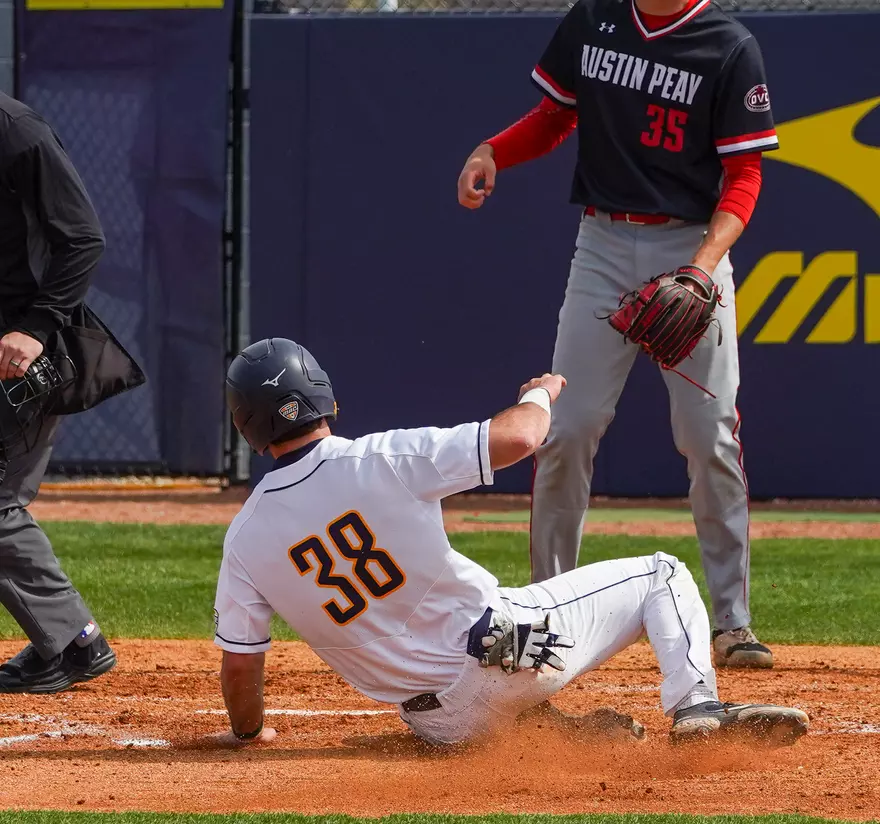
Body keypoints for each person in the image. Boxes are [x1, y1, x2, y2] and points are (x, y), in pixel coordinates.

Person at [207, 337, 808, 750]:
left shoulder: (246, 535)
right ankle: (697, 707)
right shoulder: (382, 458)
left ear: (247, 425)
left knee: (484, 654)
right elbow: (521, 437)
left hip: (442, 726)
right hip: (517, 655)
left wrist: (248, 734)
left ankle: (554, 734)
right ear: (322, 393)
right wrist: (540, 392)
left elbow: (240, 667)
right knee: (663, 574)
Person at [456, 0, 779, 670]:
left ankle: (732, 622)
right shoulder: (595, 18)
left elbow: (744, 176)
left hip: (692, 248)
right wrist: (495, 150)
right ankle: (545, 611)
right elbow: (556, 117)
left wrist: (700, 269)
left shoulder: (728, 45)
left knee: (710, 434)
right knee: (565, 429)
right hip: (602, 245)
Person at [0, 93, 122, 693]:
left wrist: (35, 327)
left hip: (21, 353)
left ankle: (76, 640)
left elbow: (83, 237)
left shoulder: (16, 131)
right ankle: (60, 645)